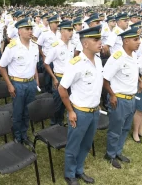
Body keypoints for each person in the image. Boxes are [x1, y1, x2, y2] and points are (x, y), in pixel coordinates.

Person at [58, 25, 103, 185]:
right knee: (74, 145)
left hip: (94, 111)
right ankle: (70, 174)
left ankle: (79, 169)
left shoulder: (98, 61)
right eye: (96, 40)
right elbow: (62, 88)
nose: (100, 42)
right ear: (85, 44)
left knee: (86, 144)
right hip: (80, 112)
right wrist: (70, 111)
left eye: (100, 39)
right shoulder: (75, 64)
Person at [103, 26, 142, 169]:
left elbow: (133, 71)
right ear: (126, 41)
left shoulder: (133, 55)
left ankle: (118, 151)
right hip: (119, 99)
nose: (139, 42)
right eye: (135, 39)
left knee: (126, 128)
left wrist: (139, 81)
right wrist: (112, 95)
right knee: (115, 130)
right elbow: (105, 79)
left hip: (131, 98)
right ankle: (110, 154)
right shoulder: (118, 57)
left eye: (138, 39)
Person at [0, 17, 40, 143]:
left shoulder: (34, 46)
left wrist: (36, 80)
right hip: (18, 84)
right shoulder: (12, 47)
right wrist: (9, 85)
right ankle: (17, 136)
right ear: (19, 31)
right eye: (27, 29)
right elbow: (1, 66)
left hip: (31, 83)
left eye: (31, 28)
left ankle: (24, 134)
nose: (30, 31)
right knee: (18, 112)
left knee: (27, 111)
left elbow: (34, 66)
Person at [44, 20, 75, 126]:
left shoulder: (72, 45)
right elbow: (46, 63)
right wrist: (54, 78)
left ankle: (60, 122)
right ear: (62, 32)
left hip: (70, 78)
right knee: (57, 102)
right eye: (68, 30)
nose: (71, 32)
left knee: (66, 102)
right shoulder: (56, 46)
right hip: (60, 78)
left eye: (72, 30)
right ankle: (54, 124)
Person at [38, 15, 61, 93]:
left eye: (58, 22)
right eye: (55, 23)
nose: (57, 24)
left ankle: (56, 90)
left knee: (56, 77)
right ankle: (47, 92)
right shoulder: (45, 34)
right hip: (48, 59)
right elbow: (39, 45)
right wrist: (43, 56)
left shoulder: (60, 33)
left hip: (58, 59)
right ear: (50, 24)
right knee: (47, 78)